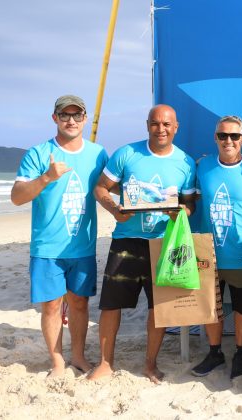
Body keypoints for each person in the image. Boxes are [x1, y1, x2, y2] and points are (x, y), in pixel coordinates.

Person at [89, 104, 196, 383]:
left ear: (176, 128)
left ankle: (150, 364)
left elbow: (189, 206)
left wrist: (179, 212)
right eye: (155, 123)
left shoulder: (185, 162)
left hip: (163, 243)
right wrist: (114, 210)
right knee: (111, 305)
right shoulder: (127, 153)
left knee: (157, 308)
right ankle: (105, 363)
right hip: (127, 241)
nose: (161, 129)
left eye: (166, 124)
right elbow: (101, 188)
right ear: (147, 124)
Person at [11, 95, 108, 377]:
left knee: (79, 302)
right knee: (52, 305)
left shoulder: (98, 154)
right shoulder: (38, 153)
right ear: (54, 118)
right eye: (65, 115)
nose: (71, 121)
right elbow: (17, 197)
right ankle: (57, 362)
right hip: (47, 247)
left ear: (85, 119)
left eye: (77, 115)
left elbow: (112, 187)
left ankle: (77, 356)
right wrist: (46, 178)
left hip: (82, 245)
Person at [190, 115, 242, 379]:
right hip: (207, 252)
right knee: (211, 305)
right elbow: (190, 201)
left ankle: (239, 353)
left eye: (234, 136)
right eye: (223, 135)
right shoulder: (201, 167)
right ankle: (214, 353)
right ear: (215, 138)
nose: (228, 141)